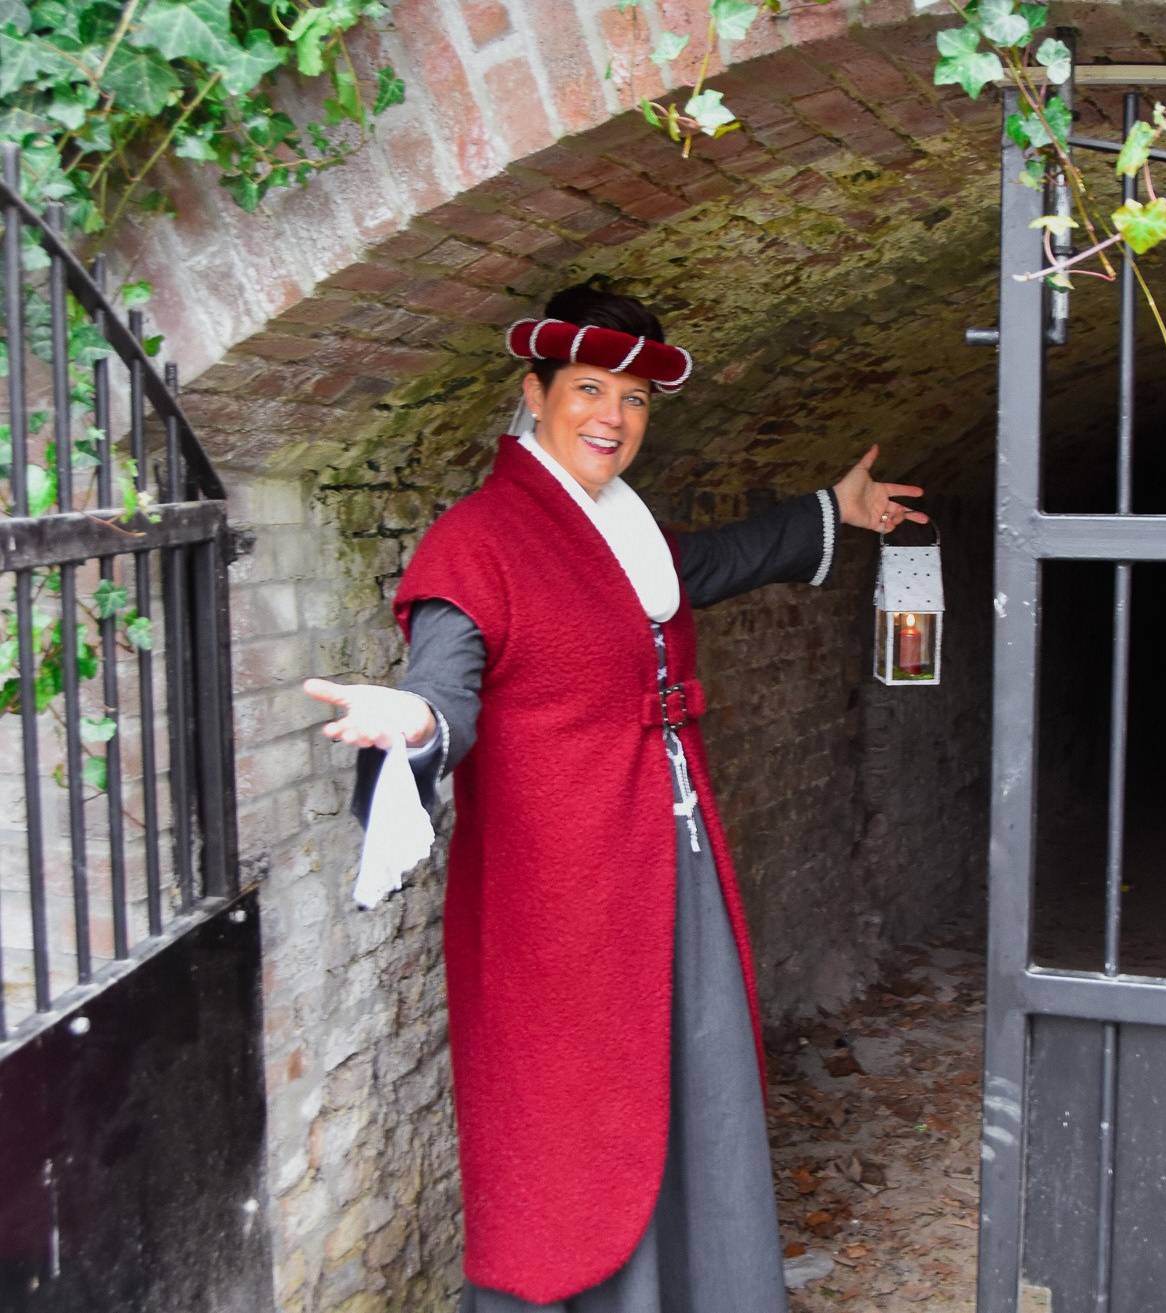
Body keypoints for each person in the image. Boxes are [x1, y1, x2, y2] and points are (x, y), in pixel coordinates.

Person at [303, 284, 927, 1312]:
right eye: (589, 389)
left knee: (692, 1083)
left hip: (668, 859)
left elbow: (709, 562)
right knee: (572, 1121)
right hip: (558, 892)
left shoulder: (617, 528)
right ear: (535, 392)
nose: (613, 417)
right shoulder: (479, 538)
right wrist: (412, 719)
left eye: (634, 398)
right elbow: (444, 679)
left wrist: (833, 509)